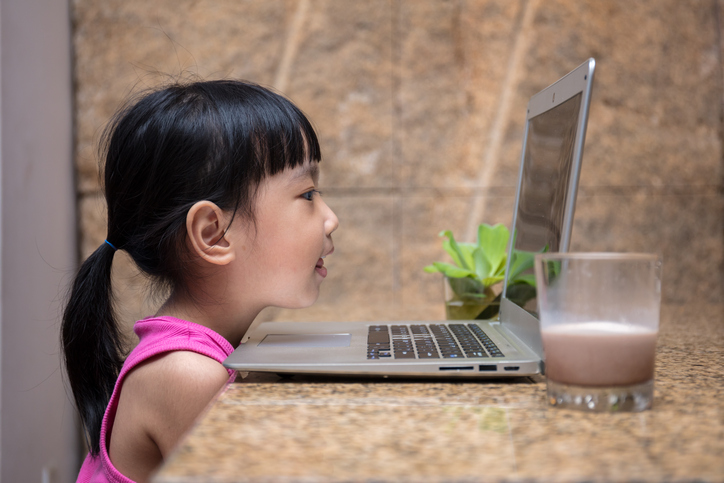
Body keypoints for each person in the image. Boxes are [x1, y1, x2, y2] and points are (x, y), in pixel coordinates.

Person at [62, 80, 339, 483]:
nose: (331, 218)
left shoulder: (211, 355)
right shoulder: (186, 374)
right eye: (308, 194)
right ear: (214, 234)